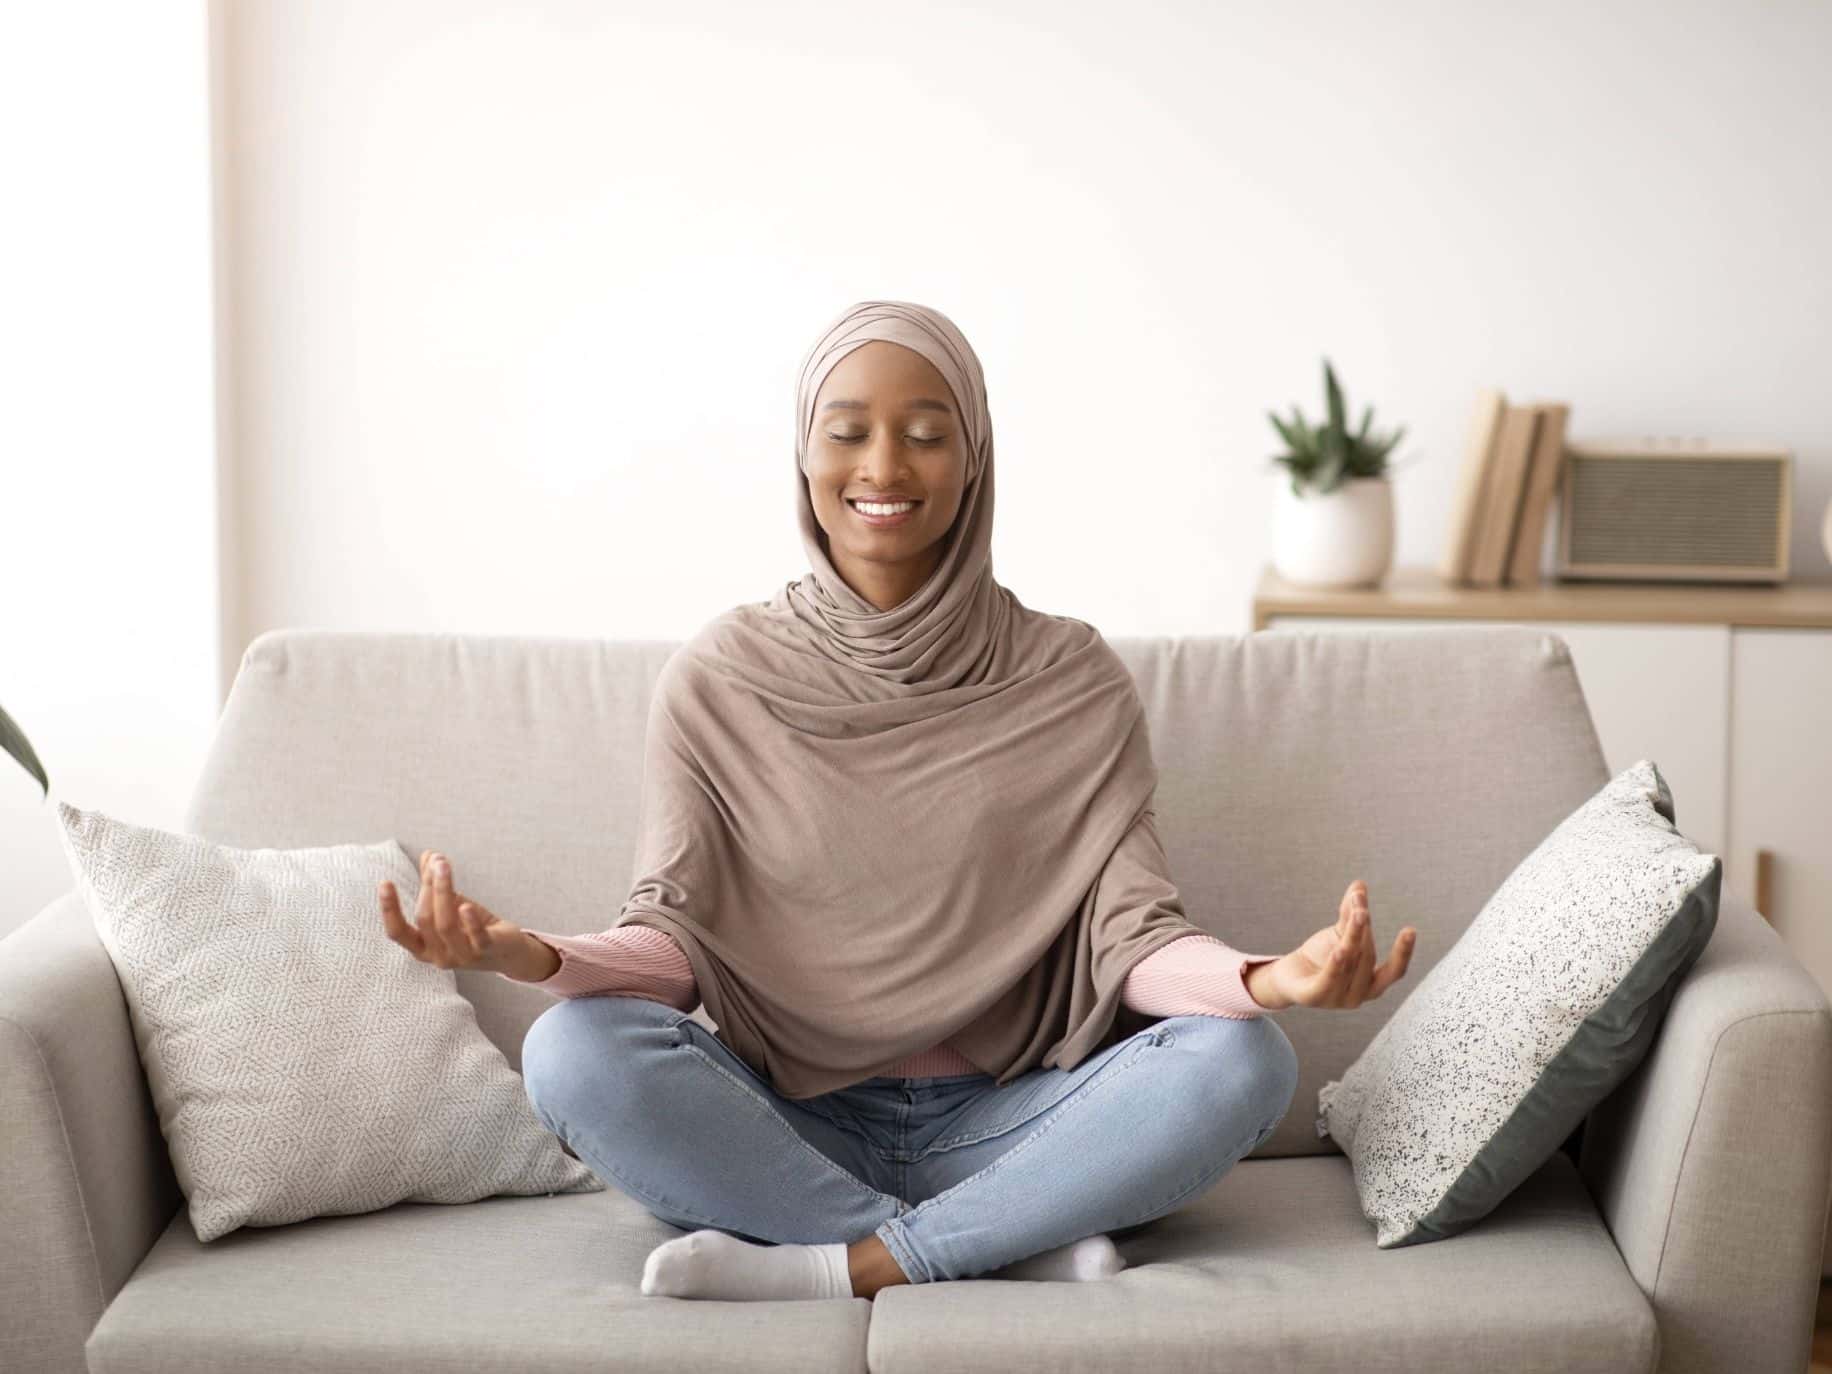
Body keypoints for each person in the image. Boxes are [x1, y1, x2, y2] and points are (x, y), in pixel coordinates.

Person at [379, 300, 1416, 1303]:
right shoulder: (723, 678)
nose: (881, 467)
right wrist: (529, 956)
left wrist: (1267, 978)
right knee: (571, 1050)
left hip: (1014, 1120)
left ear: (974, 462)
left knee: (1241, 1058)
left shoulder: (1067, 677)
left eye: (925, 434)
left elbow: (1132, 939)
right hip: (785, 1124)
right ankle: (1001, 1243)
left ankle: (852, 1262)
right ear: (802, 455)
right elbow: (677, 939)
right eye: (847, 434)